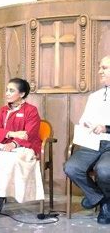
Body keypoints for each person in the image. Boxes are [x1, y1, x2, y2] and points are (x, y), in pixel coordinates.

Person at [0, 78, 44, 219]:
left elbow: (30, 133)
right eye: (7, 90)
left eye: (11, 90)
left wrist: (14, 143)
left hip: (26, 147)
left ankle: (0, 197)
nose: (7, 93)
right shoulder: (3, 111)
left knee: (14, 160)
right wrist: (12, 133)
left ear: (22, 94)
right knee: (0, 159)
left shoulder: (31, 110)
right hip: (5, 146)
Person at [64, 55, 110, 224]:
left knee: (105, 170)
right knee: (71, 167)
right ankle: (100, 199)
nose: (100, 71)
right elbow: (85, 119)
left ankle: (103, 204)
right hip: (92, 143)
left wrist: (106, 128)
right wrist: (84, 124)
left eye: (104, 68)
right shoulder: (95, 96)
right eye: (100, 67)